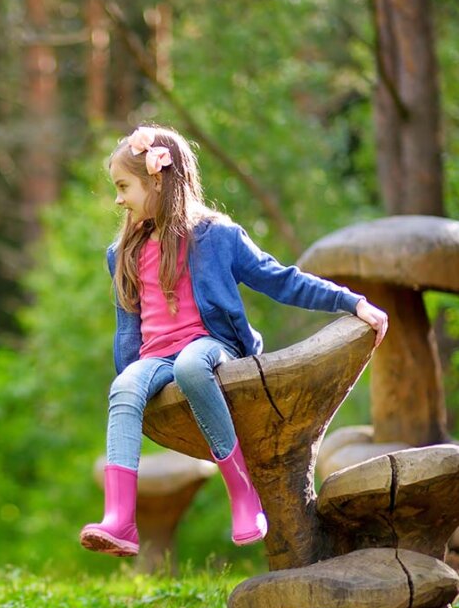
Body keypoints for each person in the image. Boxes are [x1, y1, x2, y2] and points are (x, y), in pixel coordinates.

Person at [79, 125, 388, 557]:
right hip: (155, 358)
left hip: (212, 345)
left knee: (190, 366)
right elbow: (128, 328)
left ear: (157, 180)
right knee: (123, 387)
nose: (118, 199)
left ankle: (243, 495)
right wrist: (132, 379)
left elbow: (281, 280)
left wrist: (350, 302)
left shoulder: (216, 236)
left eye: (123, 186)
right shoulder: (123, 252)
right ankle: (120, 519)